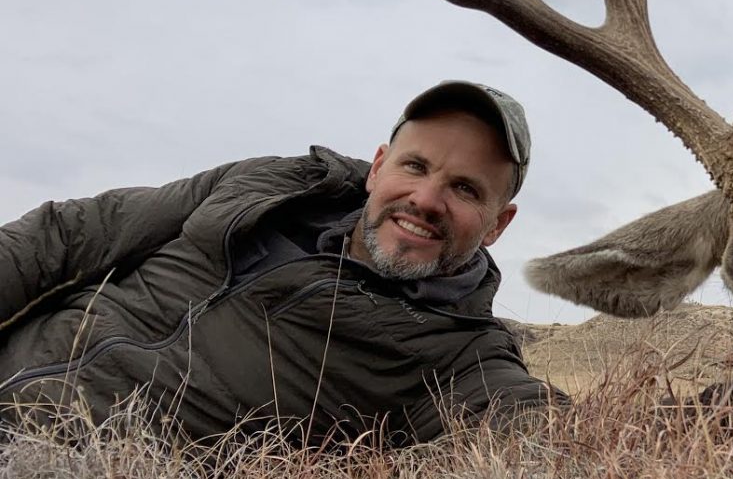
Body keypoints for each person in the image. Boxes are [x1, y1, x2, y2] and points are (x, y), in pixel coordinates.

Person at [0, 81, 563, 445]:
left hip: (55, 469)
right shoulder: (272, 186)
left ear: (497, 225)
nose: (424, 200)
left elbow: (535, 430)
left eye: (464, 189)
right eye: (415, 167)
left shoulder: (462, 355)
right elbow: (72, 234)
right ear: (378, 167)